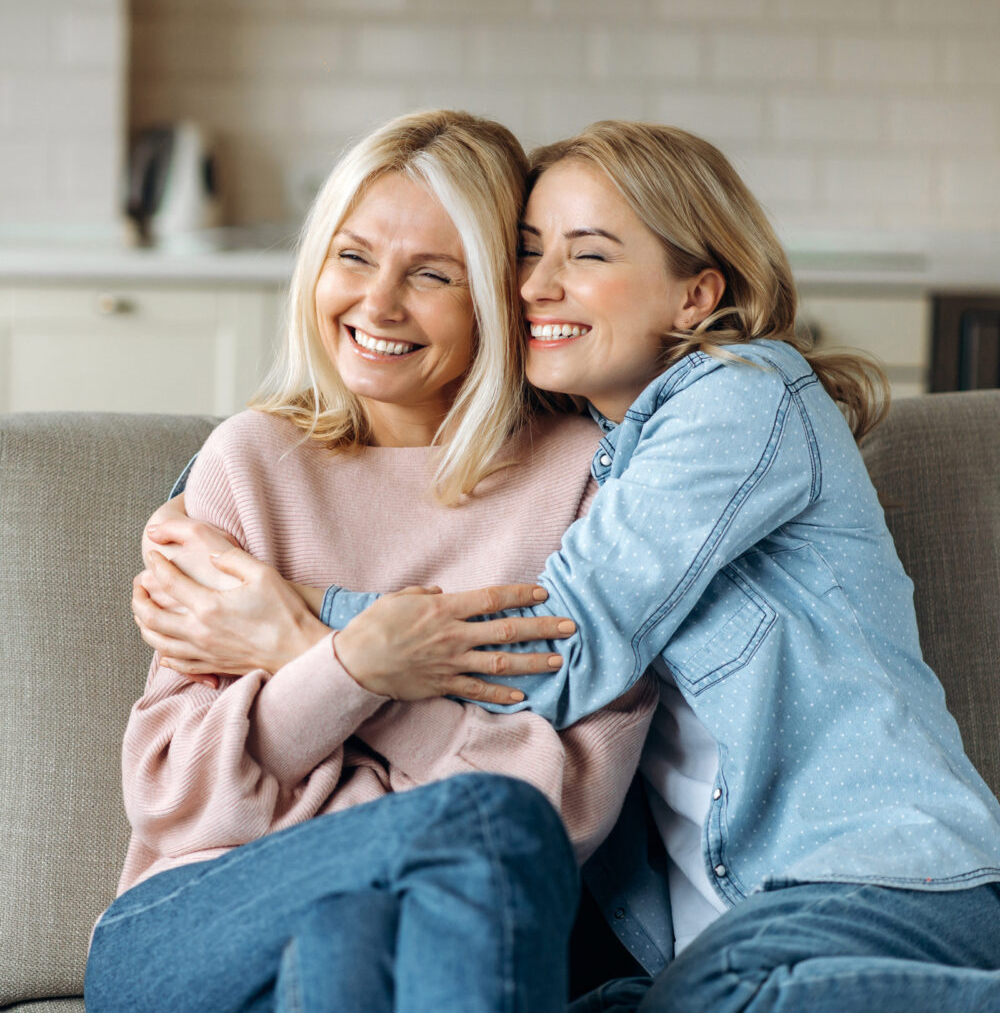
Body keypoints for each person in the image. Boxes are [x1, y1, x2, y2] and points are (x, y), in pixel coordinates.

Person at [140, 121, 1000, 1012]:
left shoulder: (739, 395)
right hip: (711, 932)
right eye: (526, 253)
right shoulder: (603, 448)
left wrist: (299, 626)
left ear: (697, 294)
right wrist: (196, 499)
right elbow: (335, 450)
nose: (537, 285)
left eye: (586, 255)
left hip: (863, 875)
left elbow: (565, 651)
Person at [85, 110, 658, 1013]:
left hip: (399, 930)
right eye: (353, 258)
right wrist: (355, 666)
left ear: (500, 299)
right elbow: (176, 791)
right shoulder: (248, 465)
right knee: (473, 824)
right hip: (193, 919)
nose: (378, 304)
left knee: (362, 927)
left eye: (430, 274)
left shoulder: (587, 486)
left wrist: (301, 652)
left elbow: (563, 814)